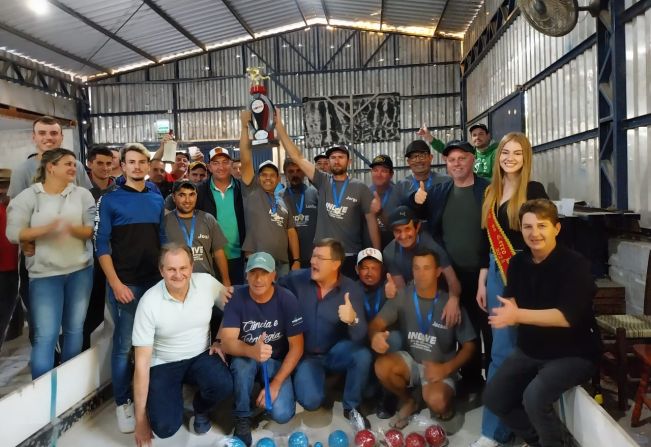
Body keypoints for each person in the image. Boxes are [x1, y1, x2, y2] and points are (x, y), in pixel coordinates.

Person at [483, 199, 600, 447]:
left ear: (556, 228)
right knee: (494, 397)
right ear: (521, 229)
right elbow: (511, 299)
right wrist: (507, 310)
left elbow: (567, 316)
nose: (534, 233)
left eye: (542, 226)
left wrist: (518, 316)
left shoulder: (575, 265)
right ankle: (539, 441)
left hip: (574, 353)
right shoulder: (517, 263)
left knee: (533, 397)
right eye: (528, 227)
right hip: (531, 349)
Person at [471, 132, 548, 447]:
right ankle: (503, 428)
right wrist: (481, 277)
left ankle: (498, 431)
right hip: (494, 272)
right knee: (500, 350)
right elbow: (484, 239)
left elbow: (544, 238)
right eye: (505, 152)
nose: (510, 158)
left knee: (510, 351)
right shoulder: (492, 190)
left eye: (517, 153)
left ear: (525, 157)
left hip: (523, 272)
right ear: (498, 156)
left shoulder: (534, 190)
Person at [95, 143, 166, 433]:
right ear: (121, 166)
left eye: (142, 162)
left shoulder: (156, 195)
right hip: (126, 284)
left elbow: (160, 236)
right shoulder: (110, 200)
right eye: (131, 162)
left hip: (154, 282)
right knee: (125, 346)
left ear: (148, 166)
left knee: (152, 342)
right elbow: (101, 246)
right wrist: (115, 283)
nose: (137, 167)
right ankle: (123, 402)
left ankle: (148, 396)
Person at [6, 148, 95, 379]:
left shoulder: (83, 195)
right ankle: (42, 390)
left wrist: (68, 228)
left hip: (80, 271)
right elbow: (13, 232)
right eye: (67, 164)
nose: (73, 168)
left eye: (74, 164)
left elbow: (90, 230)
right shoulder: (27, 197)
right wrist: (45, 230)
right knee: (46, 334)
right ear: (51, 167)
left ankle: (69, 385)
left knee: (75, 330)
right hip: (45, 276)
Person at [132, 243, 233, 445]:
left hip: (201, 355)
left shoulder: (206, 283)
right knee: (165, 428)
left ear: (191, 267)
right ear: (161, 270)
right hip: (163, 362)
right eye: (171, 269)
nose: (178, 275)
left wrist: (220, 339)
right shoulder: (149, 302)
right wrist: (140, 420)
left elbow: (234, 307)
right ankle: (170, 396)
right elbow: (141, 365)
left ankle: (199, 408)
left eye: (183, 268)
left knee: (224, 385)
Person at [412, 140, 491, 393]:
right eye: (451, 159)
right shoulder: (439, 191)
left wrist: (485, 273)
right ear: (446, 164)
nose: (456, 163)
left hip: (482, 273)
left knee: (488, 331)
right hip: (450, 274)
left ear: (472, 161)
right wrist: (417, 200)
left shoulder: (488, 191)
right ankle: (469, 381)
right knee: (460, 329)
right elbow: (416, 213)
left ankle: (493, 382)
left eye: (462, 158)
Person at [370, 248, 476, 428]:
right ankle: (409, 400)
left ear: (438, 272)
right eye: (416, 268)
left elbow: (470, 346)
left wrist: (446, 368)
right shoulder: (403, 296)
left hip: (440, 366)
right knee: (381, 366)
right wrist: (374, 336)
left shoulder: (449, 304)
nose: (421, 274)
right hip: (412, 361)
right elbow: (376, 323)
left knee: (438, 403)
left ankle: (438, 398)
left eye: (427, 268)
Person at [278, 239, 372, 427]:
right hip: (307, 356)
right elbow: (268, 288)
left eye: (320, 258)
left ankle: (351, 407)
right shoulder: (295, 280)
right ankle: (320, 380)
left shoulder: (351, 289)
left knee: (362, 355)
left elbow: (361, 336)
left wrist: (353, 319)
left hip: (335, 352)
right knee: (311, 401)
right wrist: (236, 291)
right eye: (313, 255)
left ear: (336, 264)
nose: (313, 261)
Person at [276, 112, 381, 277]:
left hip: (350, 255)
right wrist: (279, 126)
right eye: (333, 157)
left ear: (349, 161)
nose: (336, 160)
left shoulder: (360, 187)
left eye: (341, 157)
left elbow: (371, 221)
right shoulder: (322, 181)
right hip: (323, 257)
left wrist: (377, 254)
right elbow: (297, 156)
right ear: (329, 161)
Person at [220, 252, 305, 446]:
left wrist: (275, 384)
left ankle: (264, 388)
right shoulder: (236, 296)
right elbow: (227, 342)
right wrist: (252, 351)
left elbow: (297, 347)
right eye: (253, 273)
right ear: (246, 275)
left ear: (274, 275)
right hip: (246, 357)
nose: (258, 279)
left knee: (283, 414)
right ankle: (242, 417)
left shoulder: (287, 299)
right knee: (241, 366)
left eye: (264, 273)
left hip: (275, 360)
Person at [239, 112, 300, 275]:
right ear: (258, 178)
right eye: (264, 175)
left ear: (278, 178)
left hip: (282, 264)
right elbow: (245, 160)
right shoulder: (251, 191)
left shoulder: (284, 198)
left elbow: (291, 231)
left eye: (272, 175)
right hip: (257, 262)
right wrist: (244, 128)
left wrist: (297, 260)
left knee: (283, 300)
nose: (268, 178)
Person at [382, 206, 461, 328]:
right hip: (413, 298)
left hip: (438, 297)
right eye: (398, 231)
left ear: (417, 227)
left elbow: (452, 280)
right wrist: (393, 292)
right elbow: (401, 288)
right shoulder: (389, 252)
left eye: (407, 229)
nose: (403, 235)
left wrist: (454, 299)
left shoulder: (433, 245)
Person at [196, 147, 246, 285]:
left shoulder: (242, 189)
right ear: (209, 167)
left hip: (239, 257)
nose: (221, 167)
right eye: (216, 163)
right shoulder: (199, 192)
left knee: (237, 300)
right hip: (210, 258)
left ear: (231, 164)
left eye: (225, 162)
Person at [8, 116, 92, 198]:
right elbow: (15, 209)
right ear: (34, 137)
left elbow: (87, 201)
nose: (48, 138)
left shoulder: (77, 166)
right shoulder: (21, 171)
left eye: (54, 133)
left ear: (62, 137)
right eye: (42, 133)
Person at [164, 180, 230, 284]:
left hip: (205, 282)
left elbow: (219, 252)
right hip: (176, 281)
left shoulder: (208, 219)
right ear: (173, 197)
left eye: (191, 195)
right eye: (182, 195)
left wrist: (226, 281)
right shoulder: (165, 222)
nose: (187, 200)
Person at [84, 146, 118, 350]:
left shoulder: (119, 191)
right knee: (91, 313)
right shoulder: (82, 193)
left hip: (116, 258)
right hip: (90, 261)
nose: (106, 168)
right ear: (90, 163)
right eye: (100, 163)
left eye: (109, 163)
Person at [417, 123, 498, 179]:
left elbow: (498, 179)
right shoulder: (470, 152)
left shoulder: (496, 152)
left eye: (481, 134)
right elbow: (444, 149)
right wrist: (428, 137)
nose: (477, 137)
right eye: (474, 135)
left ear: (488, 136)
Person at [282, 158, 318, 268]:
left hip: (313, 255)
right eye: (291, 171)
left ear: (304, 173)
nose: (295, 174)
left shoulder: (315, 193)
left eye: (298, 171)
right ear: (285, 173)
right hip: (289, 257)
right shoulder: (279, 197)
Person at [393, 140, 447, 209]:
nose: (418, 160)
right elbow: (396, 212)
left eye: (422, 155)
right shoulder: (401, 186)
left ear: (430, 158)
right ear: (408, 162)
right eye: (413, 157)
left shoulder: (445, 181)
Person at [0, 169, 21, 344]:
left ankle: (16, 330)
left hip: (14, 267)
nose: (2, 190)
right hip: (5, 268)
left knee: (7, 309)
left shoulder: (17, 206)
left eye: (5, 185)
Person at [367, 155, 397, 249]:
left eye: (384, 171)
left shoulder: (398, 194)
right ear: (371, 172)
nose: (379, 174)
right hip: (369, 249)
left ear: (391, 174)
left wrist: (380, 213)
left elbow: (399, 228)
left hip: (393, 248)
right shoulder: (365, 193)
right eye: (375, 170)